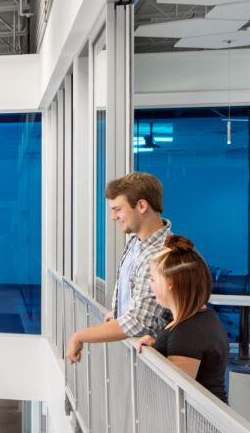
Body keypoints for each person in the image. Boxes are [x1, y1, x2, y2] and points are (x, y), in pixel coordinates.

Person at [66, 172, 173, 364]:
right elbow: (133, 294)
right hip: (136, 355)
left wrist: (79, 336)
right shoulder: (135, 242)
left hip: (155, 363)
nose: (113, 217)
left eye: (117, 209)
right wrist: (118, 313)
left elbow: (140, 322)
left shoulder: (160, 254)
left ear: (142, 206)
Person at [135, 236, 230, 402]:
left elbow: (173, 396)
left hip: (199, 418)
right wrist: (156, 348)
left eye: (153, 279)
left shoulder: (188, 332)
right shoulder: (200, 319)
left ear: (169, 283)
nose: (151, 286)